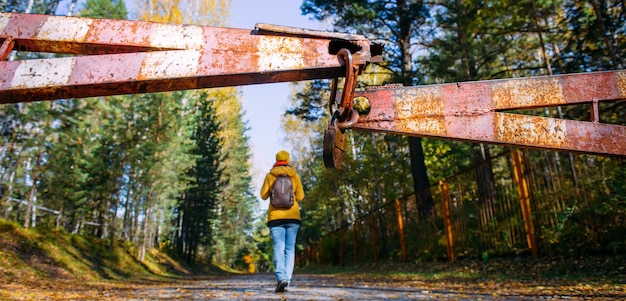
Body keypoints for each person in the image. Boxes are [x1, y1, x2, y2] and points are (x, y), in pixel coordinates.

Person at [260, 150, 305, 293]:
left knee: (278, 247)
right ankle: (288, 279)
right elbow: (301, 196)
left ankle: (281, 278)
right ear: (288, 159)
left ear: (277, 159)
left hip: (275, 217)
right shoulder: (294, 175)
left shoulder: (270, 175)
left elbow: (263, 195)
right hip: (293, 217)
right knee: (290, 249)